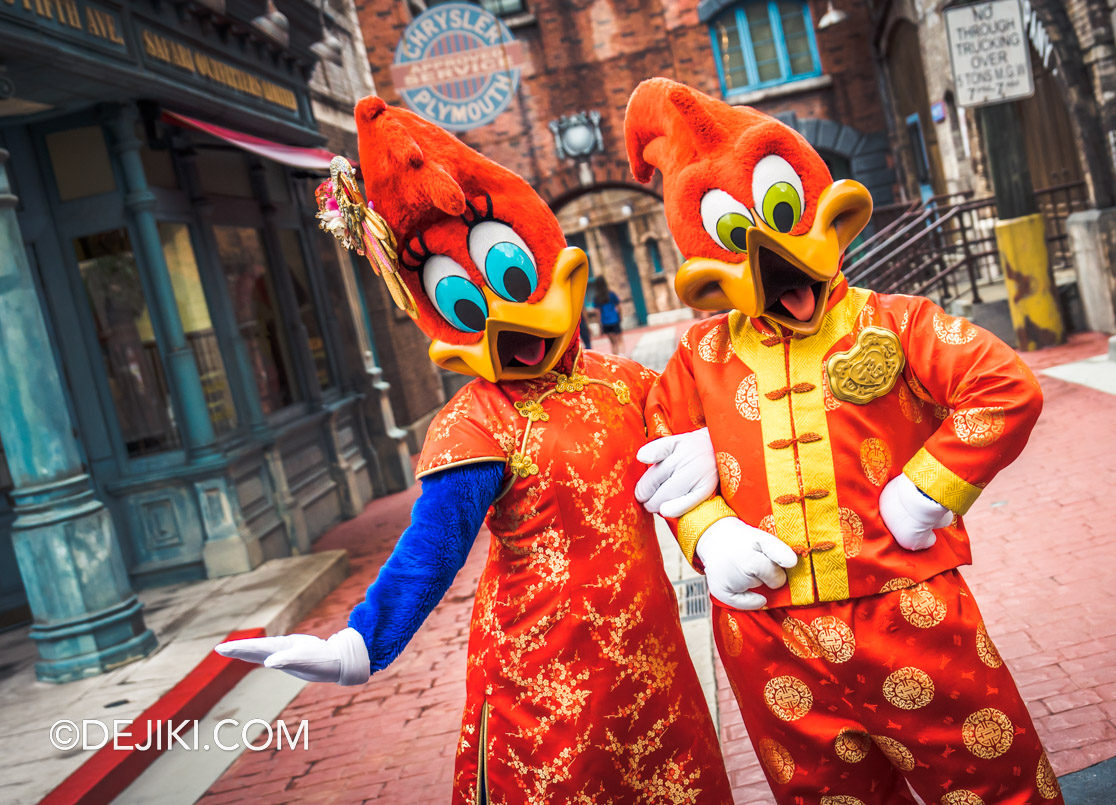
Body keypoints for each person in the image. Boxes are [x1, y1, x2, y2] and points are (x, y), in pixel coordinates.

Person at [218, 97, 734, 804]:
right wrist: (360, 643)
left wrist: (717, 443)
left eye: (514, 278)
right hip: (544, 683)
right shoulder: (477, 424)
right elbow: (432, 548)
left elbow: (733, 412)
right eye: (465, 305)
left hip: (652, 668)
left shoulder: (629, 384)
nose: (505, 326)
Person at [625, 78, 1062, 804]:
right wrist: (709, 532)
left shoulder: (895, 322)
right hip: (771, 639)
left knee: (992, 781)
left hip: (909, 611)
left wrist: (932, 485)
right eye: (738, 238)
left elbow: (1005, 386)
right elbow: (660, 455)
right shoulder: (698, 356)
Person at [592, 277, 625, 354]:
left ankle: (615, 359)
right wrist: (620, 315)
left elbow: (597, 313)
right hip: (615, 319)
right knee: (620, 340)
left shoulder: (596, 298)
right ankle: (623, 356)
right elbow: (619, 306)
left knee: (613, 343)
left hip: (605, 322)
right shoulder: (611, 294)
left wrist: (599, 324)